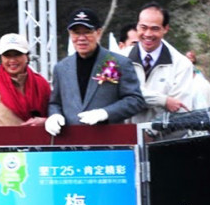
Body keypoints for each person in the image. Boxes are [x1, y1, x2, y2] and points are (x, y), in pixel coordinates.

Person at [46, 8, 145, 137]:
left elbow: (135, 100)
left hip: (109, 142)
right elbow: (55, 102)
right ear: (70, 34)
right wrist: (54, 115)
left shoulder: (119, 63)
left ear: (98, 33)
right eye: (76, 33)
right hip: (71, 144)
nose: (81, 38)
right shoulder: (61, 68)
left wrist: (105, 113)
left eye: (87, 32)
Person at [0, 32, 50, 158]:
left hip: (38, 154)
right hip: (2, 157)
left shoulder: (41, 84)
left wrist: (46, 121)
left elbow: (52, 115)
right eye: (7, 55)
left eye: (17, 54)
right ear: (1, 58)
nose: (12, 60)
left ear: (27, 57)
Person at [123, 2, 194, 124]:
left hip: (164, 139)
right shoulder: (120, 58)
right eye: (143, 27)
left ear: (166, 29)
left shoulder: (181, 64)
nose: (148, 34)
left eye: (154, 28)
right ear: (137, 27)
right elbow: (116, 95)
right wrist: (163, 100)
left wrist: (151, 132)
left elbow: (180, 109)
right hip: (125, 136)